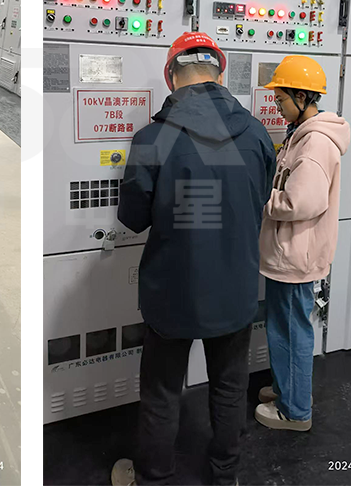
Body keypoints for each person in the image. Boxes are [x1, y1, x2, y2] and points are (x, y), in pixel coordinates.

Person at [111, 32, 276, 486]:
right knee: (229, 387)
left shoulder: (152, 139)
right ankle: (225, 475)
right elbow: (259, 200)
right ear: (220, 75)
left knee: (162, 392)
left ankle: (154, 478)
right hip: (236, 290)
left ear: (171, 77)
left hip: (173, 291)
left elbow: (132, 218)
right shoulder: (257, 134)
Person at [255, 56, 350, 432]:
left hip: (295, 254)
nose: (277, 106)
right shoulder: (302, 133)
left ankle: (295, 411)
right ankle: (287, 389)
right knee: (283, 327)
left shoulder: (314, 143)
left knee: (291, 332)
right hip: (289, 252)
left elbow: (301, 203)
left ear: (301, 96)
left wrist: (262, 200)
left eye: (280, 99)